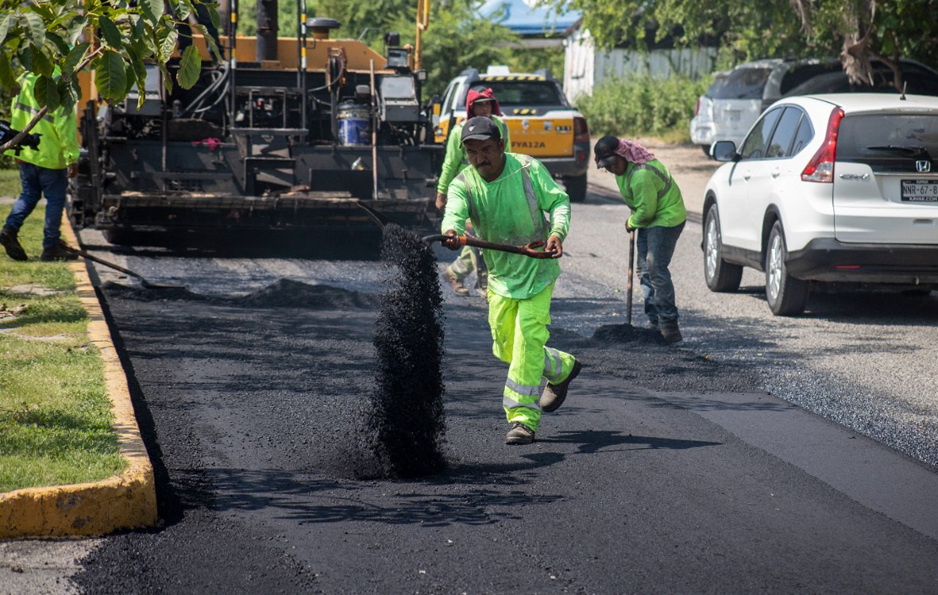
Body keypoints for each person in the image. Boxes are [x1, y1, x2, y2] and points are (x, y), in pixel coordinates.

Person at [441, 116, 580, 445]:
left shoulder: (527, 169)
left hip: (538, 272)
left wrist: (557, 232)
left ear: (501, 146)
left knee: (527, 342)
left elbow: (559, 202)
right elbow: (454, 212)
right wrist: (451, 230)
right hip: (500, 278)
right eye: (472, 152)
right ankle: (562, 368)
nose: (480, 158)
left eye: (487, 149)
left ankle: (522, 419)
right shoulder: (464, 183)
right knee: (506, 348)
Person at [593, 135, 687, 343]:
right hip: (649, 217)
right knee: (644, 270)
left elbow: (646, 211)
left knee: (655, 268)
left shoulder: (641, 174)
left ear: (623, 156)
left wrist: (631, 222)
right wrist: (636, 218)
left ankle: (669, 325)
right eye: (606, 166)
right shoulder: (622, 169)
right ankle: (654, 323)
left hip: (666, 218)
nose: (611, 169)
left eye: (613, 164)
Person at [437, 88, 511, 298]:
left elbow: (510, 156)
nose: (485, 108)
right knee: (478, 235)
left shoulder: (501, 127)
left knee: (488, 234)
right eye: (480, 105)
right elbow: (449, 164)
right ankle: (485, 283)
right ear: (471, 108)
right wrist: (442, 192)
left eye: (488, 104)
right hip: (469, 190)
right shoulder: (458, 130)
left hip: (495, 187)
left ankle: (458, 273)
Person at [0, 70, 80, 262]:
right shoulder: (61, 85)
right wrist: (72, 157)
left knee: (29, 194)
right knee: (54, 200)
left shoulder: (25, 76)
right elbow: (65, 126)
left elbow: (16, 108)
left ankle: (10, 228)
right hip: (49, 155)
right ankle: (51, 245)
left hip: (24, 150)